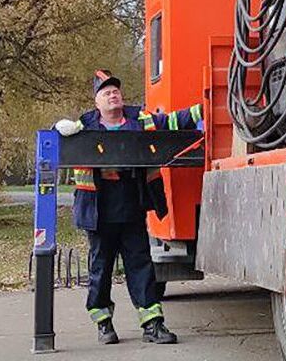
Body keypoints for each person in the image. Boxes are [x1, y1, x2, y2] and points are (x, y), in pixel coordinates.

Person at [53, 70, 204, 346]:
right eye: (106, 92)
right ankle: (103, 323)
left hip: (132, 205)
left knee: (141, 266)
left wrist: (204, 106)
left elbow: (172, 121)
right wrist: (59, 129)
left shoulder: (141, 120)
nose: (113, 94)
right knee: (100, 268)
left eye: (116, 90)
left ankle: (153, 325)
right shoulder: (84, 127)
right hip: (98, 212)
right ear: (97, 102)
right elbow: (55, 142)